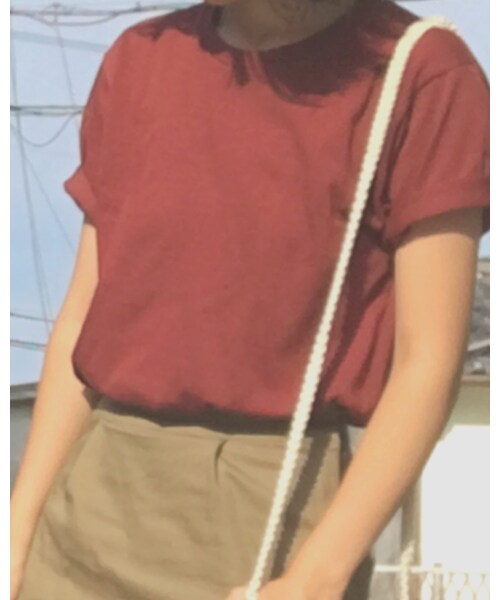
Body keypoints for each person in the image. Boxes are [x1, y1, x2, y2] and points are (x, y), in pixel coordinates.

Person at [11, 0, 490, 597]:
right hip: (88, 500)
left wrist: (317, 576)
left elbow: (428, 362)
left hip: (269, 510)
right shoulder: (139, 59)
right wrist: (19, 531)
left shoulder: (422, 70)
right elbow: (82, 319)